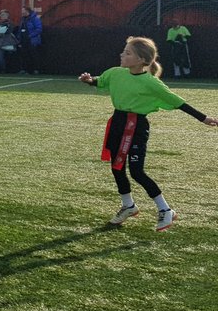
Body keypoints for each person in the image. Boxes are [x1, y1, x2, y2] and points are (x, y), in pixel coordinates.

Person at [78, 37, 217, 231]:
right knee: (117, 167)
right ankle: (128, 206)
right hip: (118, 122)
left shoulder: (151, 83)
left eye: (128, 53)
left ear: (142, 60)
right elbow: (100, 81)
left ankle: (165, 209)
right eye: (123, 51)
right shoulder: (116, 73)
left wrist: (203, 118)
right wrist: (89, 80)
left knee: (136, 171)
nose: (122, 55)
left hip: (135, 125)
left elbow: (177, 101)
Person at [17, 6, 43, 74]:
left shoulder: (35, 19)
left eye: (23, 11)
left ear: (27, 11)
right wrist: (19, 38)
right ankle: (24, 69)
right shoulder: (22, 19)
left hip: (32, 41)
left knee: (33, 55)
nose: (22, 12)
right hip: (23, 40)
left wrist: (30, 36)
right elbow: (20, 30)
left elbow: (39, 29)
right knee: (24, 55)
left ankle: (35, 69)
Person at [0, 9, 18, 73]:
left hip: (3, 42)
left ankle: (2, 70)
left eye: (3, 14)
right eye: (1, 14)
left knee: (0, 57)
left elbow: (7, 31)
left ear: (7, 15)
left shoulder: (9, 23)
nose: (1, 15)